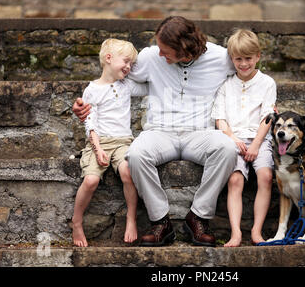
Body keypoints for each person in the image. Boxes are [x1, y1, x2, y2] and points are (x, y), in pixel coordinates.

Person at [73, 16, 238, 247]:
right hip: (160, 131)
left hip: (200, 132)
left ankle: (198, 217)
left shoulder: (220, 58)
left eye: (165, 50)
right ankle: (160, 221)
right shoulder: (151, 56)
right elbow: (111, 79)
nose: (159, 53)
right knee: (136, 155)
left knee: (228, 149)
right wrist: (84, 106)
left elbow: (247, 75)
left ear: (185, 50)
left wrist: (265, 105)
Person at [72, 38, 148, 247]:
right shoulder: (92, 90)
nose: (129, 67)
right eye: (125, 61)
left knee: (128, 172)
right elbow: (90, 124)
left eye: (131, 64)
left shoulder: (127, 85)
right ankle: (77, 221)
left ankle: (131, 219)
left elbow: (149, 86)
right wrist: (97, 151)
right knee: (91, 181)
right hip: (99, 142)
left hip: (123, 142)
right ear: (108, 58)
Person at [211, 29, 277, 247]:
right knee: (235, 180)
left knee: (265, 176)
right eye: (238, 59)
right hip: (233, 140)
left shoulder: (267, 83)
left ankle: (256, 231)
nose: (244, 63)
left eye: (248, 58)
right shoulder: (225, 85)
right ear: (232, 59)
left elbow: (268, 117)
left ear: (258, 56)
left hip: (260, 139)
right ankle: (236, 233)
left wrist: (256, 144)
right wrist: (232, 138)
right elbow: (220, 119)